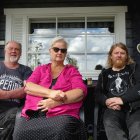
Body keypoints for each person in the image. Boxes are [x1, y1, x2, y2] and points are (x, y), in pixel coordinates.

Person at [13, 36, 87, 140]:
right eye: (56, 49)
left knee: (60, 129)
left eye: (63, 50)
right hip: (33, 114)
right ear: (50, 51)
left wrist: (58, 102)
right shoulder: (40, 69)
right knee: (19, 132)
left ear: (66, 53)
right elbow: (29, 87)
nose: (59, 52)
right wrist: (51, 93)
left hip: (62, 114)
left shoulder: (72, 71)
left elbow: (80, 92)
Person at [95, 42, 140, 140]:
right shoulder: (104, 74)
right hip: (113, 109)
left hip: (134, 108)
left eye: (122, 53)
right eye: (116, 53)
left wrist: (122, 99)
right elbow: (97, 93)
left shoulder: (134, 69)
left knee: (137, 128)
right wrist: (106, 101)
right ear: (111, 56)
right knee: (110, 122)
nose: (119, 55)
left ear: (126, 56)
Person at [0, 41, 32, 140]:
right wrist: (15, 93)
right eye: (11, 48)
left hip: (13, 111)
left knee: (15, 116)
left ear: (21, 53)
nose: (13, 51)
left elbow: (27, 89)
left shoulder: (26, 70)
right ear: (5, 51)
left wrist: (3, 94)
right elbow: (21, 91)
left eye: (17, 49)